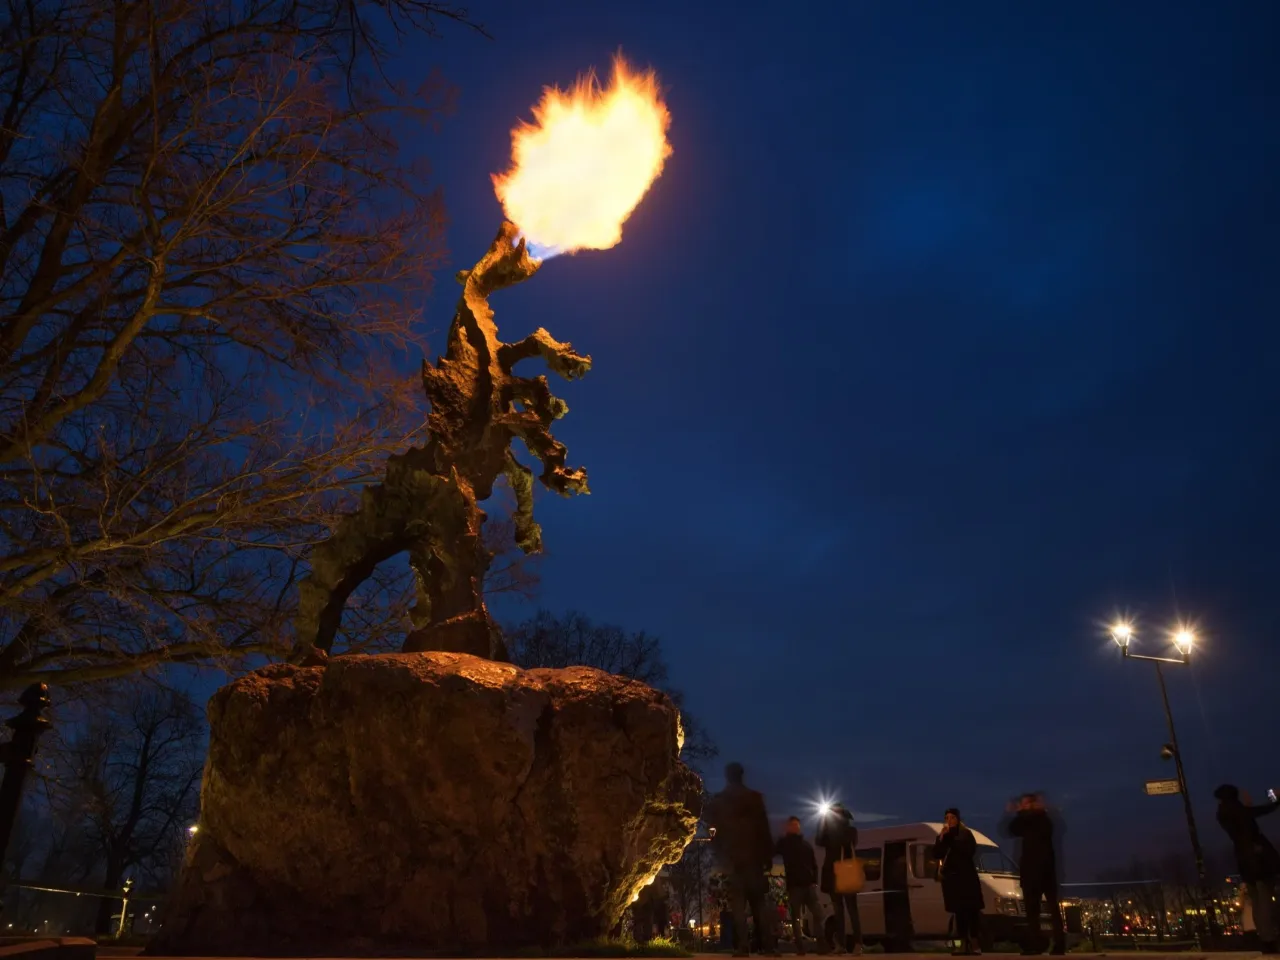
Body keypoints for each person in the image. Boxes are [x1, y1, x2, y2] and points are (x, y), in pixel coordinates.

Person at [705, 762, 778, 958]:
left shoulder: (720, 801)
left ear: (728, 776)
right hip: (754, 860)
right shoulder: (755, 798)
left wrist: (721, 856)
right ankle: (768, 947)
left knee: (738, 906)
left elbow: (714, 833)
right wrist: (767, 856)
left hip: (734, 860)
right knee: (759, 905)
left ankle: (742, 946)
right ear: (742, 775)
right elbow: (764, 830)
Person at [1214, 784, 1280, 954]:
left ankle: (1266, 939)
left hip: (1244, 861)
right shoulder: (1238, 811)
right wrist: (1275, 799)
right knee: (1265, 899)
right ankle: (1270, 938)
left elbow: (1243, 817)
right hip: (1259, 859)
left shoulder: (1224, 814)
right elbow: (1263, 810)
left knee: (1258, 901)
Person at [1005, 793, 1065, 955]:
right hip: (1030, 872)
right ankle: (1036, 944)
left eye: (1025, 804)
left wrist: (1023, 813)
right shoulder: (1027, 820)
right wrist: (1018, 813)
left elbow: (1029, 828)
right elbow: (1012, 830)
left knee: (1052, 909)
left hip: (1044, 872)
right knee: (1032, 912)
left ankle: (1059, 943)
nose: (1023, 807)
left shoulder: (1042, 819)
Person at [934, 808, 984, 956]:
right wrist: (941, 839)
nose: (949, 820)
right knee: (959, 912)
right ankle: (962, 944)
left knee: (972, 911)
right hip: (952, 880)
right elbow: (936, 854)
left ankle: (975, 943)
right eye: (947, 818)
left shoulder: (965, 834)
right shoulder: (944, 835)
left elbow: (967, 851)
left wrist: (950, 839)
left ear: (958, 819)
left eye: (952, 817)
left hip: (967, 878)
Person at [776, 816, 828, 955]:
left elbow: (814, 864)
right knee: (796, 917)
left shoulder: (806, 845)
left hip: (808, 885)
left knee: (818, 914)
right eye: (792, 825)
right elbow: (773, 850)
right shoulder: (785, 844)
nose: (795, 827)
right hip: (795, 886)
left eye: (797, 825)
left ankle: (821, 943)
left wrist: (814, 881)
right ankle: (800, 947)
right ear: (788, 827)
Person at [816, 802, 863, 955]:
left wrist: (832, 825)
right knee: (838, 911)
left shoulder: (849, 831)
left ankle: (857, 943)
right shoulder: (829, 831)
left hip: (845, 872)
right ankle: (841, 944)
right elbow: (819, 840)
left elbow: (844, 842)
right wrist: (823, 820)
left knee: (851, 910)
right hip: (833, 875)